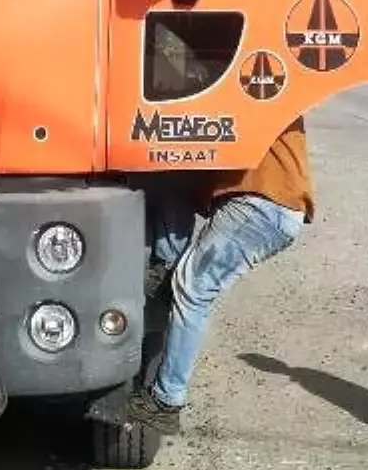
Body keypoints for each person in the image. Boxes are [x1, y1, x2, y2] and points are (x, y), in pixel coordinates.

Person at [127, 117, 313, 435]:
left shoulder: (253, 93)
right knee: (187, 278)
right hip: (267, 205)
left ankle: (166, 402)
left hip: (262, 206)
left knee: (193, 288)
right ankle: (166, 271)